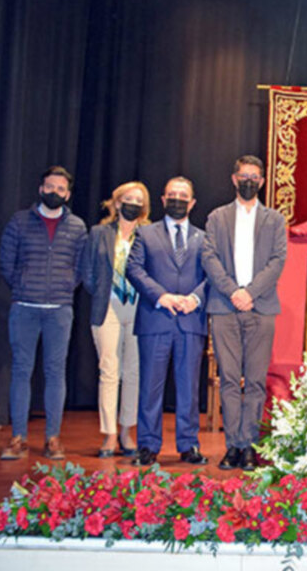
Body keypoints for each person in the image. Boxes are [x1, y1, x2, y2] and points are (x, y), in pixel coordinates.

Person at [202, 155, 287, 471]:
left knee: (254, 380)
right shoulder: (216, 217)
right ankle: (232, 446)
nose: (249, 181)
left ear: (262, 182)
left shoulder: (275, 220)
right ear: (234, 179)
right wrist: (232, 291)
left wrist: (250, 292)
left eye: (255, 176)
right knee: (227, 378)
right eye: (244, 175)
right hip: (224, 306)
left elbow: (278, 261)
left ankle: (249, 445)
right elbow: (209, 257)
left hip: (261, 307)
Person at [0, 166, 87, 460]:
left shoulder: (77, 227)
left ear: (68, 194)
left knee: (55, 372)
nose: (54, 193)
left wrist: (62, 288)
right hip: (24, 308)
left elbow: (80, 267)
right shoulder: (20, 221)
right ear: (41, 188)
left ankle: (52, 438)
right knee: (22, 371)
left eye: (60, 189)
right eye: (50, 187)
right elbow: (6, 262)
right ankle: (18, 438)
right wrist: (24, 286)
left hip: (59, 310)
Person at [126, 176, 208, 466]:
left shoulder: (204, 236)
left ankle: (189, 445)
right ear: (162, 200)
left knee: (189, 387)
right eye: (171, 194)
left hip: (191, 321)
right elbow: (133, 269)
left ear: (192, 202)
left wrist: (195, 299)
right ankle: (147, 446)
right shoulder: (145, 234)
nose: (177, 199)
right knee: (150, 386)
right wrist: (163, 296)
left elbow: (212, 275)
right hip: (156, 319)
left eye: (182, 195)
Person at [83, 181, 151, 458]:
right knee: (109, 369)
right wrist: (102, 292)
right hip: (107, 307)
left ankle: (127, 430)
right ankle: (109, 434)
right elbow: (87, 272)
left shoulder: (149, 234)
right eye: (128, 198)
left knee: (133, 372)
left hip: (138, 309)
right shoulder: (99, 232)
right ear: (117, 201)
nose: (132, 203)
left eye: (138, 199)